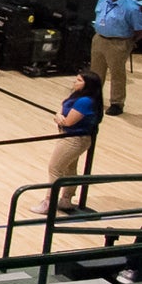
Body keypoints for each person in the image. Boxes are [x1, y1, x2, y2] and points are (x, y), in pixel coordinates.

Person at [31, 72, 105, 214]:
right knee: (69, 169)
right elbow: (63, 108)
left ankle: (48, 203)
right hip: (70, 137)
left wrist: (59, 118)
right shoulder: (77, 96)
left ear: (87, 84)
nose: (74, 82)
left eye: (79, 80)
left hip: (74, 139)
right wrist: (59, 116)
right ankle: (66, 200)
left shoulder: (86, 101)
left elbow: (68, 122)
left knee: (55, 168)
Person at [90, 0, 139, 116]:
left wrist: (128, 43)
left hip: (118, 43)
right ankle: (94, 98)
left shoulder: (131, 7)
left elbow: (138, 29)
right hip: (99, 38)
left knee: (117, 74)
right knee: (96, 71)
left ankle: (117, 103)